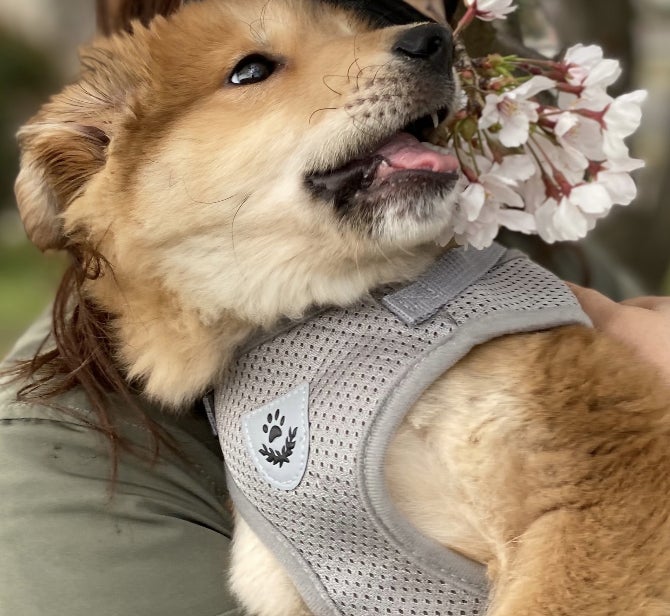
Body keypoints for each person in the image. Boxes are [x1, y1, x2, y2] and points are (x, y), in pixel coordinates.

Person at [1, 2, 668, 616]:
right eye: (254, 69)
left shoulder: (483, 312)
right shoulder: (64, 450)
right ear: (104, 150)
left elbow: (612, 510)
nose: (420, 38)